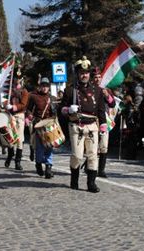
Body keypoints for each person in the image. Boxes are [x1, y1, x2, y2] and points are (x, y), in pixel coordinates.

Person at [60, 56, 106, 193]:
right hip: (76, 125)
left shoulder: (97, 90)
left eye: (86, 73)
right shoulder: (70, 90)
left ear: (89, 74)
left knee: (92, 155)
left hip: (92, 125)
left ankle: (91, 183)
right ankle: (74, 179)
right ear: (78, 74)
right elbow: (61, 109)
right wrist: (68, 109)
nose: (84, 75)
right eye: (81, 73)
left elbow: (101, 110)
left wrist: (103, 125)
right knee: (77, 156)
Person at [26, 77, 57, 178]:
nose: (44, 88)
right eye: (43, 86)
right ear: (40, 87)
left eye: (46, 86)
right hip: (38, 124)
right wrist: (30, 115)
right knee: (39, 148)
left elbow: (55, 112)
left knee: (49, 147)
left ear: (49, 87)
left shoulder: (52, 98)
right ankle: (38, 164)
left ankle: (48, 168)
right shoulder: (34, 97)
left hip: (49, 125)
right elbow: (28, 109)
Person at [92, 67, 116, 178]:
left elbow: (112, 104)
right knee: (92, 146)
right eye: (95, 77)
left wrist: (107, 95)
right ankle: (91, 168)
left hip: (103, 121)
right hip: (92, 120)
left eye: (99, 77)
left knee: (103, 146)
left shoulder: (106, 89)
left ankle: (101, 170)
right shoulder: (90, 89)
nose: (97, 79)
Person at [4, 73, 29, 170]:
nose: (17, 80)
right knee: (10, 138)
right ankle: (10, 155)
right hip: (10, 116)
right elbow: (4, 100)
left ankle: (17, 162)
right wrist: (6, 105)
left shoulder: (24, 91)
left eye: (19, 78)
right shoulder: (8, 89)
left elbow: (23, 104)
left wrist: (14, 107)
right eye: (15, 78)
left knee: (20, 139)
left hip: (19, 115)